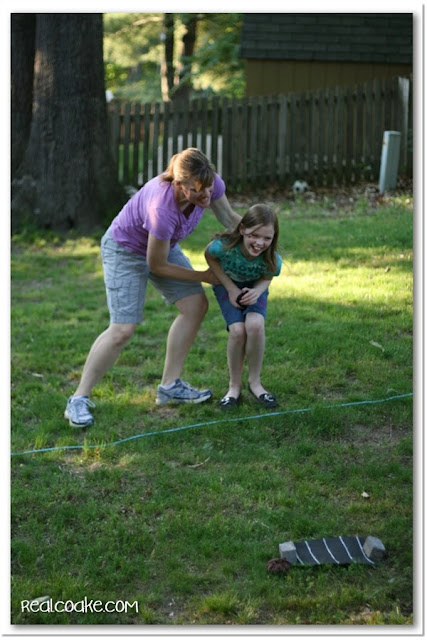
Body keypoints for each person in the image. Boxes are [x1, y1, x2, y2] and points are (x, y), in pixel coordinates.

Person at [64, 148, 241, 427]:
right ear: (179, 185)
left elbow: (230, 219)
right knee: (123, 328)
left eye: (209, 188)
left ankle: (170, 386)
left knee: (195, 306)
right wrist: (205, 276)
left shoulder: (209, 183)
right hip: (125, 250)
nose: (207, 196)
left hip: (162, 245)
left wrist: (261, 240)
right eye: (198, 191)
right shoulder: (162, 207)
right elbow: (156, 265)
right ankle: (78, 399)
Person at [204, 204, 282, 410]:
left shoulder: (272, 258)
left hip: (255, 287)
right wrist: (230, 288)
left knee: (255, 325)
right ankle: (234, 387)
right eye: (254, 235)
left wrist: (257, 291)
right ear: (242, 229)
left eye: (267, 238)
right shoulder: (223, 247)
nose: (260, 243)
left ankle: (255, 383)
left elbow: (268, 276)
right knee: (237, 331)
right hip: (227, 286)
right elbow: (209, 256)